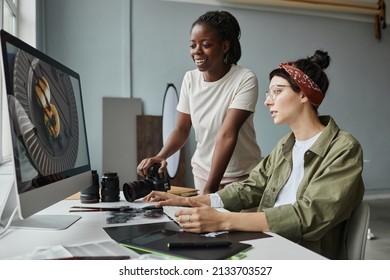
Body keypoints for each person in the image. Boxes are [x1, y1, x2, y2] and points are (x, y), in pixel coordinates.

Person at [144, 50, 365, 260]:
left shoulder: (344, 149)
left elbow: (309, 215)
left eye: (278, 91)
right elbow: (250, 188)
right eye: (270, 93)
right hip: (270, 244)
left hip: (303, 256)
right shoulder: (285, 146)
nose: (268, 101)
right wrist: (189, 202)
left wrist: (225, 220)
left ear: (304, 95)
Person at [137, 11, 261, 195]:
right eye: (192, 45)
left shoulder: (244, 79)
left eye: (206, 45)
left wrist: (211, 190)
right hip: (203, 172)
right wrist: (161, 156)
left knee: (239, 225)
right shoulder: (190, 79)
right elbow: (181, 130)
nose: (197, 51)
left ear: (225, 46)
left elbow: (227, 134)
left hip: (242, 176)